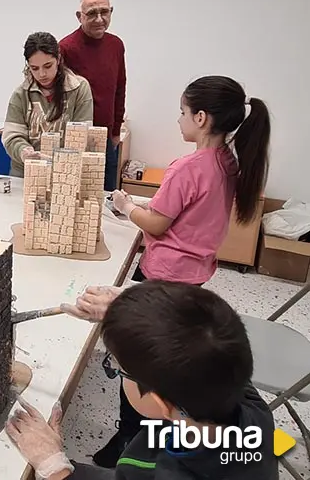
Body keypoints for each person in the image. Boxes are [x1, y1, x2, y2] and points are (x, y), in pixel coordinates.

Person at [99, 76, 271, 466]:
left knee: (140, 358)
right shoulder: (228, 161)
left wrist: (126, 205)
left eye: (181, 112)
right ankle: (159, 430)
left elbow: (157, 224)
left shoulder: (188, 167)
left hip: (165, 273)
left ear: (202, 117)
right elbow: (183, 213)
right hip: (195, 275)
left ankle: (128, 436)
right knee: (171, 354)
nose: (178, 120)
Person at [8, 281, 278, 480]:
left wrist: (54, 466)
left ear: (160, 403)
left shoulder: (166, 473)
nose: (115, 368)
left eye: (117, 368)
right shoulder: (252, 410)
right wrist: (137, 315)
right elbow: (200, 341)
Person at [59, 0, 126, 191]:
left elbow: (120, 87)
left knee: (105, 195)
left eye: (104, 12)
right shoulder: (66, 48)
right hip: (75, 138)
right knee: (76, 194)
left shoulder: (116, 45)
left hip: (105, 137)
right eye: (91, 13)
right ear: (79, 16)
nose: (99, 19)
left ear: (111, 12)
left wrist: (115, 131)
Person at [3, 32, 93, 177]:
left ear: (58, 59)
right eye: (35, 68)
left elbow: (82, 137)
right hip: (25, 173)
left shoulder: (79, 88)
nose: (42, 74)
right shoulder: (20, 94)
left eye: (47, 66)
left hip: (64, 173)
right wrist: (24, 151)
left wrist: (59, 165)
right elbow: (12, 136)